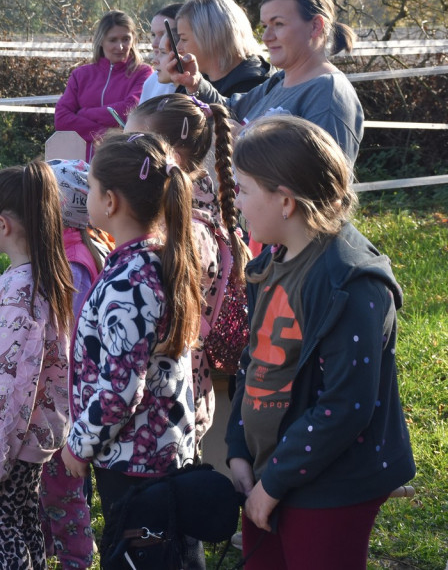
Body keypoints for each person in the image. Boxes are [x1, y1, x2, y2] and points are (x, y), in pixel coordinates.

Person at [226, 115, 415, 569]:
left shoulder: (350, 285)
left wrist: (274, 485)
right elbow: (254, 361)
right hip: (264, 473)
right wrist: (238, 448)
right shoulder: (270, 261)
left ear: (285, 201)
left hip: (327, 486)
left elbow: (346, 405)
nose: (236, 201)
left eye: (244, 189)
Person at [61, 131, 203, 570]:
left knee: (141, 560)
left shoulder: (129, 280)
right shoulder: (152, 258)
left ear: (111, 201)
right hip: (160, 451)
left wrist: (79, 445)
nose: (87, 194)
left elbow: (121, 390)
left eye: (92, 186)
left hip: (135, 464)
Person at [0, 161, 75, 569]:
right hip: (32, 437)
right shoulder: (44, 277)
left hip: (12, 441)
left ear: (4, 224)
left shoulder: (19, 293)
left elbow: (9, 385)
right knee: (24, 516)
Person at [125, 95, 251, 454]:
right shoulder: (194, 216)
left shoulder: (187, 232)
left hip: (167, 397)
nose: (122, 151)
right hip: (174, 388)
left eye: (134, 142)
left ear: (173, 155)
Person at [164, 0, 365, 164]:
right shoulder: (279, 81)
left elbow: (326, 185)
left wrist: (242, 139)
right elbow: (232, 109)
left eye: (278, 24)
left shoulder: (327, 93)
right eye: (265, 26)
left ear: (315, 26)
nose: (266, 37)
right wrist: (195, 82)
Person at [40, 158, 113, 569]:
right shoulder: (88, 243)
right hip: (76, 394)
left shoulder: (70, 263)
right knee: (62, 487)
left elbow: (68, 340)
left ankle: (76, 558)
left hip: (64, 397)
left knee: (63, 491)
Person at [55, 10, 153, 160]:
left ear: (133, 39)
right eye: (113, 40)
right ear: (101, 41)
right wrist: (104, 133)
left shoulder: (143, 73)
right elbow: (61, 118)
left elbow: (129, 110)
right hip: (79, 162)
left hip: (123, 160)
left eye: (126, 39)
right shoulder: (81, 75)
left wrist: (83, 113)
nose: (120, 47)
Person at [174, 0, 272, 97]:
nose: (178, 47)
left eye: (184, 39)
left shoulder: (253, 87)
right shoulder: (193, 82)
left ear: (211, 37)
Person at [139, 3, 183, 103]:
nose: (154, 44)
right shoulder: (152, 81)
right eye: (153, 35)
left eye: (164, 34)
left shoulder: (199, 86)